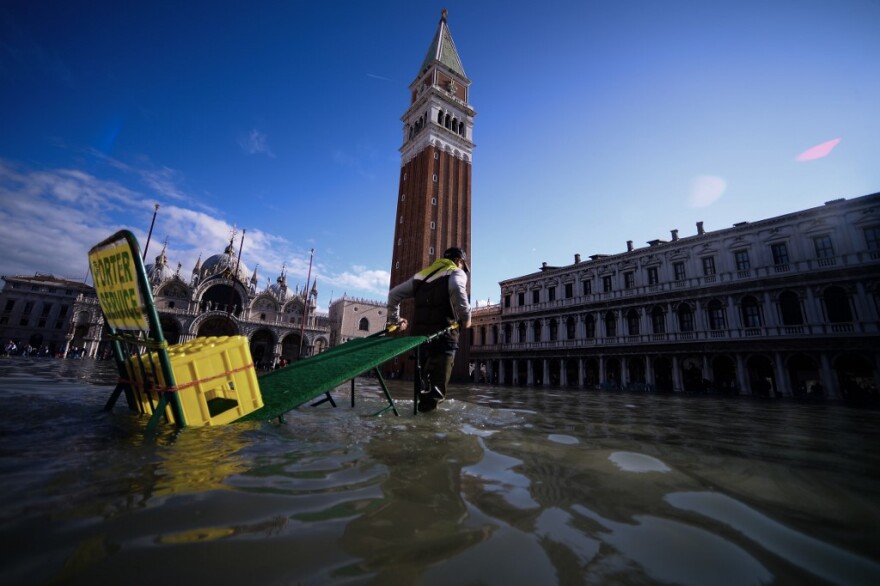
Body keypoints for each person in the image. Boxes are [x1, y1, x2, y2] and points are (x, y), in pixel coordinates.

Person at [387, 247, 472, 412]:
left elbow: (394, 294)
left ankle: (414, 422)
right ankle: (426, 431)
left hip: (419, 341)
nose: (462, 269)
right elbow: (455, 286)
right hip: (443, 339)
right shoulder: (455, 271)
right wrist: (466, 319)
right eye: (462, 265)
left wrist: (395, 321)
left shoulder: (421, 275)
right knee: (435, 394)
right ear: (459, 261)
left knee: (421, 389)